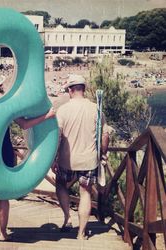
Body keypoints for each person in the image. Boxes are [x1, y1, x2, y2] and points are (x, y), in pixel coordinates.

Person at [0, 65, 56, 244]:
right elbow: (24, 124)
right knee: (3, 194)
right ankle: (3, 233)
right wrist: (47, 116)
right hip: (3, 148)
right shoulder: (6, 103)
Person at [52, 74, 109, 240]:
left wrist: (54, 157)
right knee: (85, 193)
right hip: (89, 161)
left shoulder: (63, 110)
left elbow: (58, 137)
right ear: (83, 89)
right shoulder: (96, 109)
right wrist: (102, 154)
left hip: (66, 160)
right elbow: (105, 136)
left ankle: (67, 218)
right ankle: (81, 233)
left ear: (70, 90)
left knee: (61, 185)